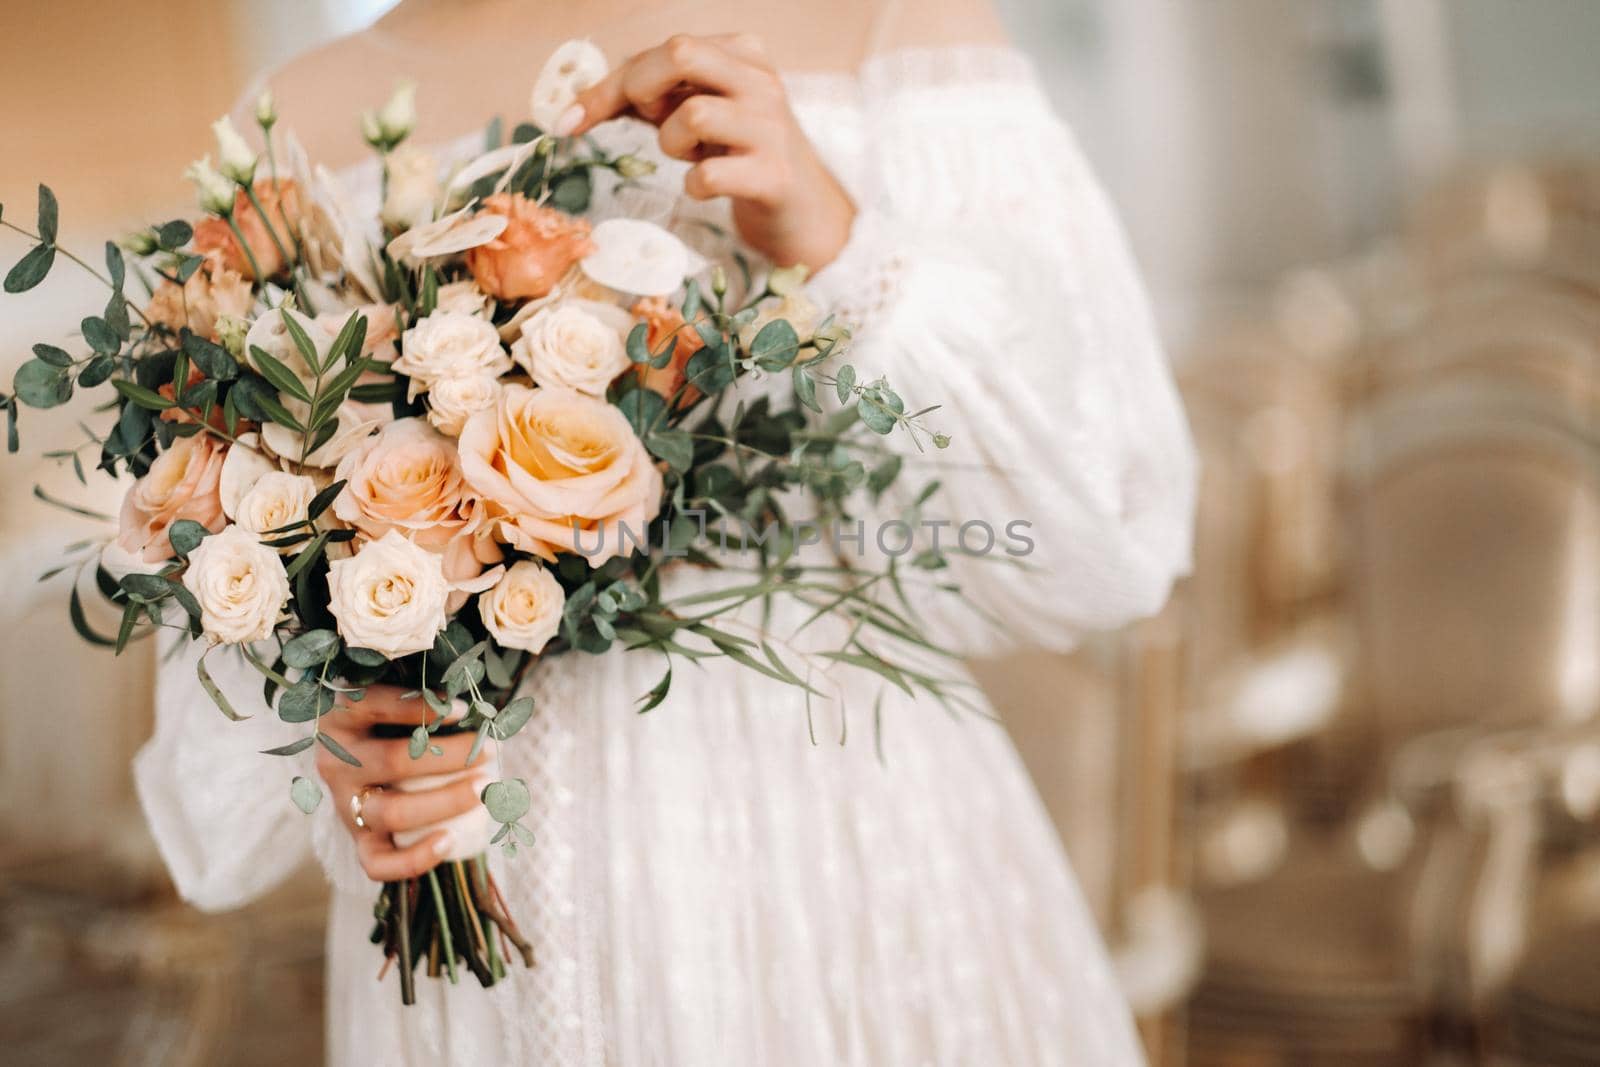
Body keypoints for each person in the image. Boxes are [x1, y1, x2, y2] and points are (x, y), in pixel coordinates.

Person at [135, 1, 1198, 1062]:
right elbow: (221, 666)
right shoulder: (299, 117)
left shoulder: (887, 26)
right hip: (465, 924)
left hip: (827, 879)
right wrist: (344, 733)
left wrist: (837, 240)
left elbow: (1098, 538)